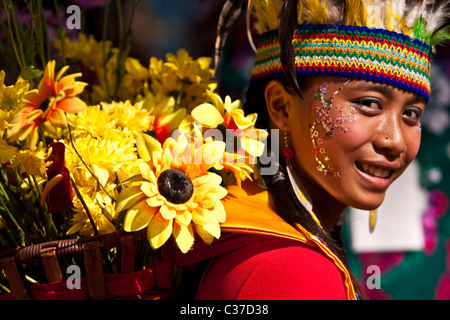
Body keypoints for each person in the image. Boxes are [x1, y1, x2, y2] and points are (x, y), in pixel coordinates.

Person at [164, 0, 450, 300]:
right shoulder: (296, 272)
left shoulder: (264, 242)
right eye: (368, 103)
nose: (395, 140)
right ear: (281, 107)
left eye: (412, 114)